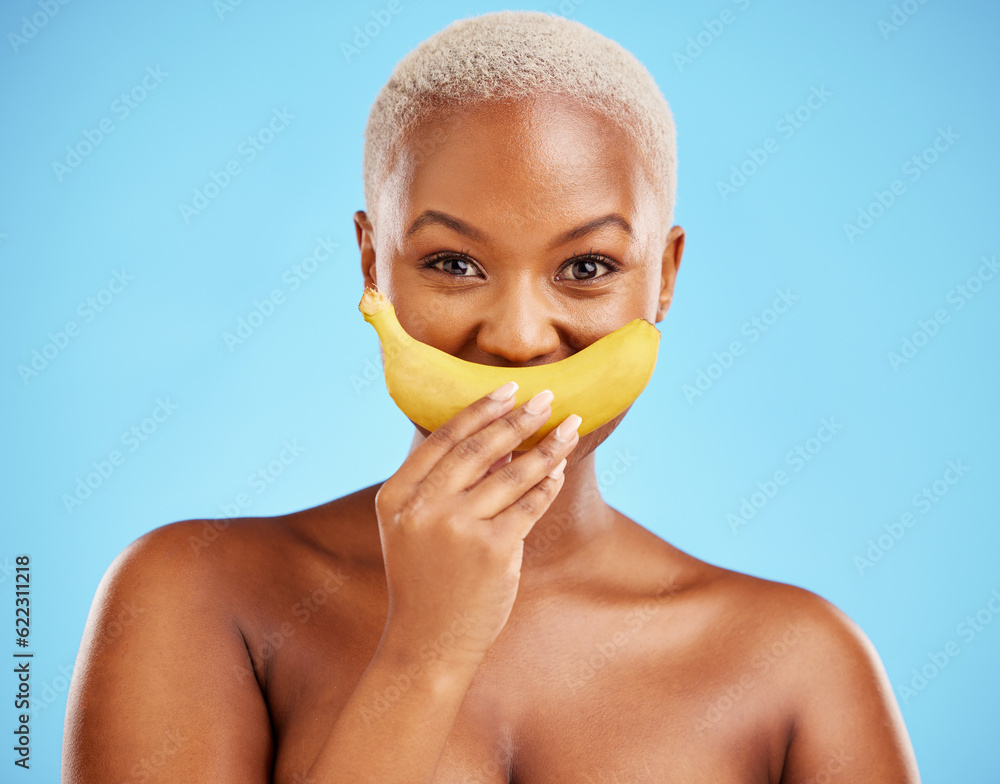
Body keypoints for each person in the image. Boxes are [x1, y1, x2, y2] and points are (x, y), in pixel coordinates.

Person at [62, 10, 921, 783]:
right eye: (452, 264)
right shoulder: (195, 596)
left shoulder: (800, 664)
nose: (517, 337)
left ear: (663, 278)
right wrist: (423, 654)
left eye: (587, 268)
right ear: (373, 265)